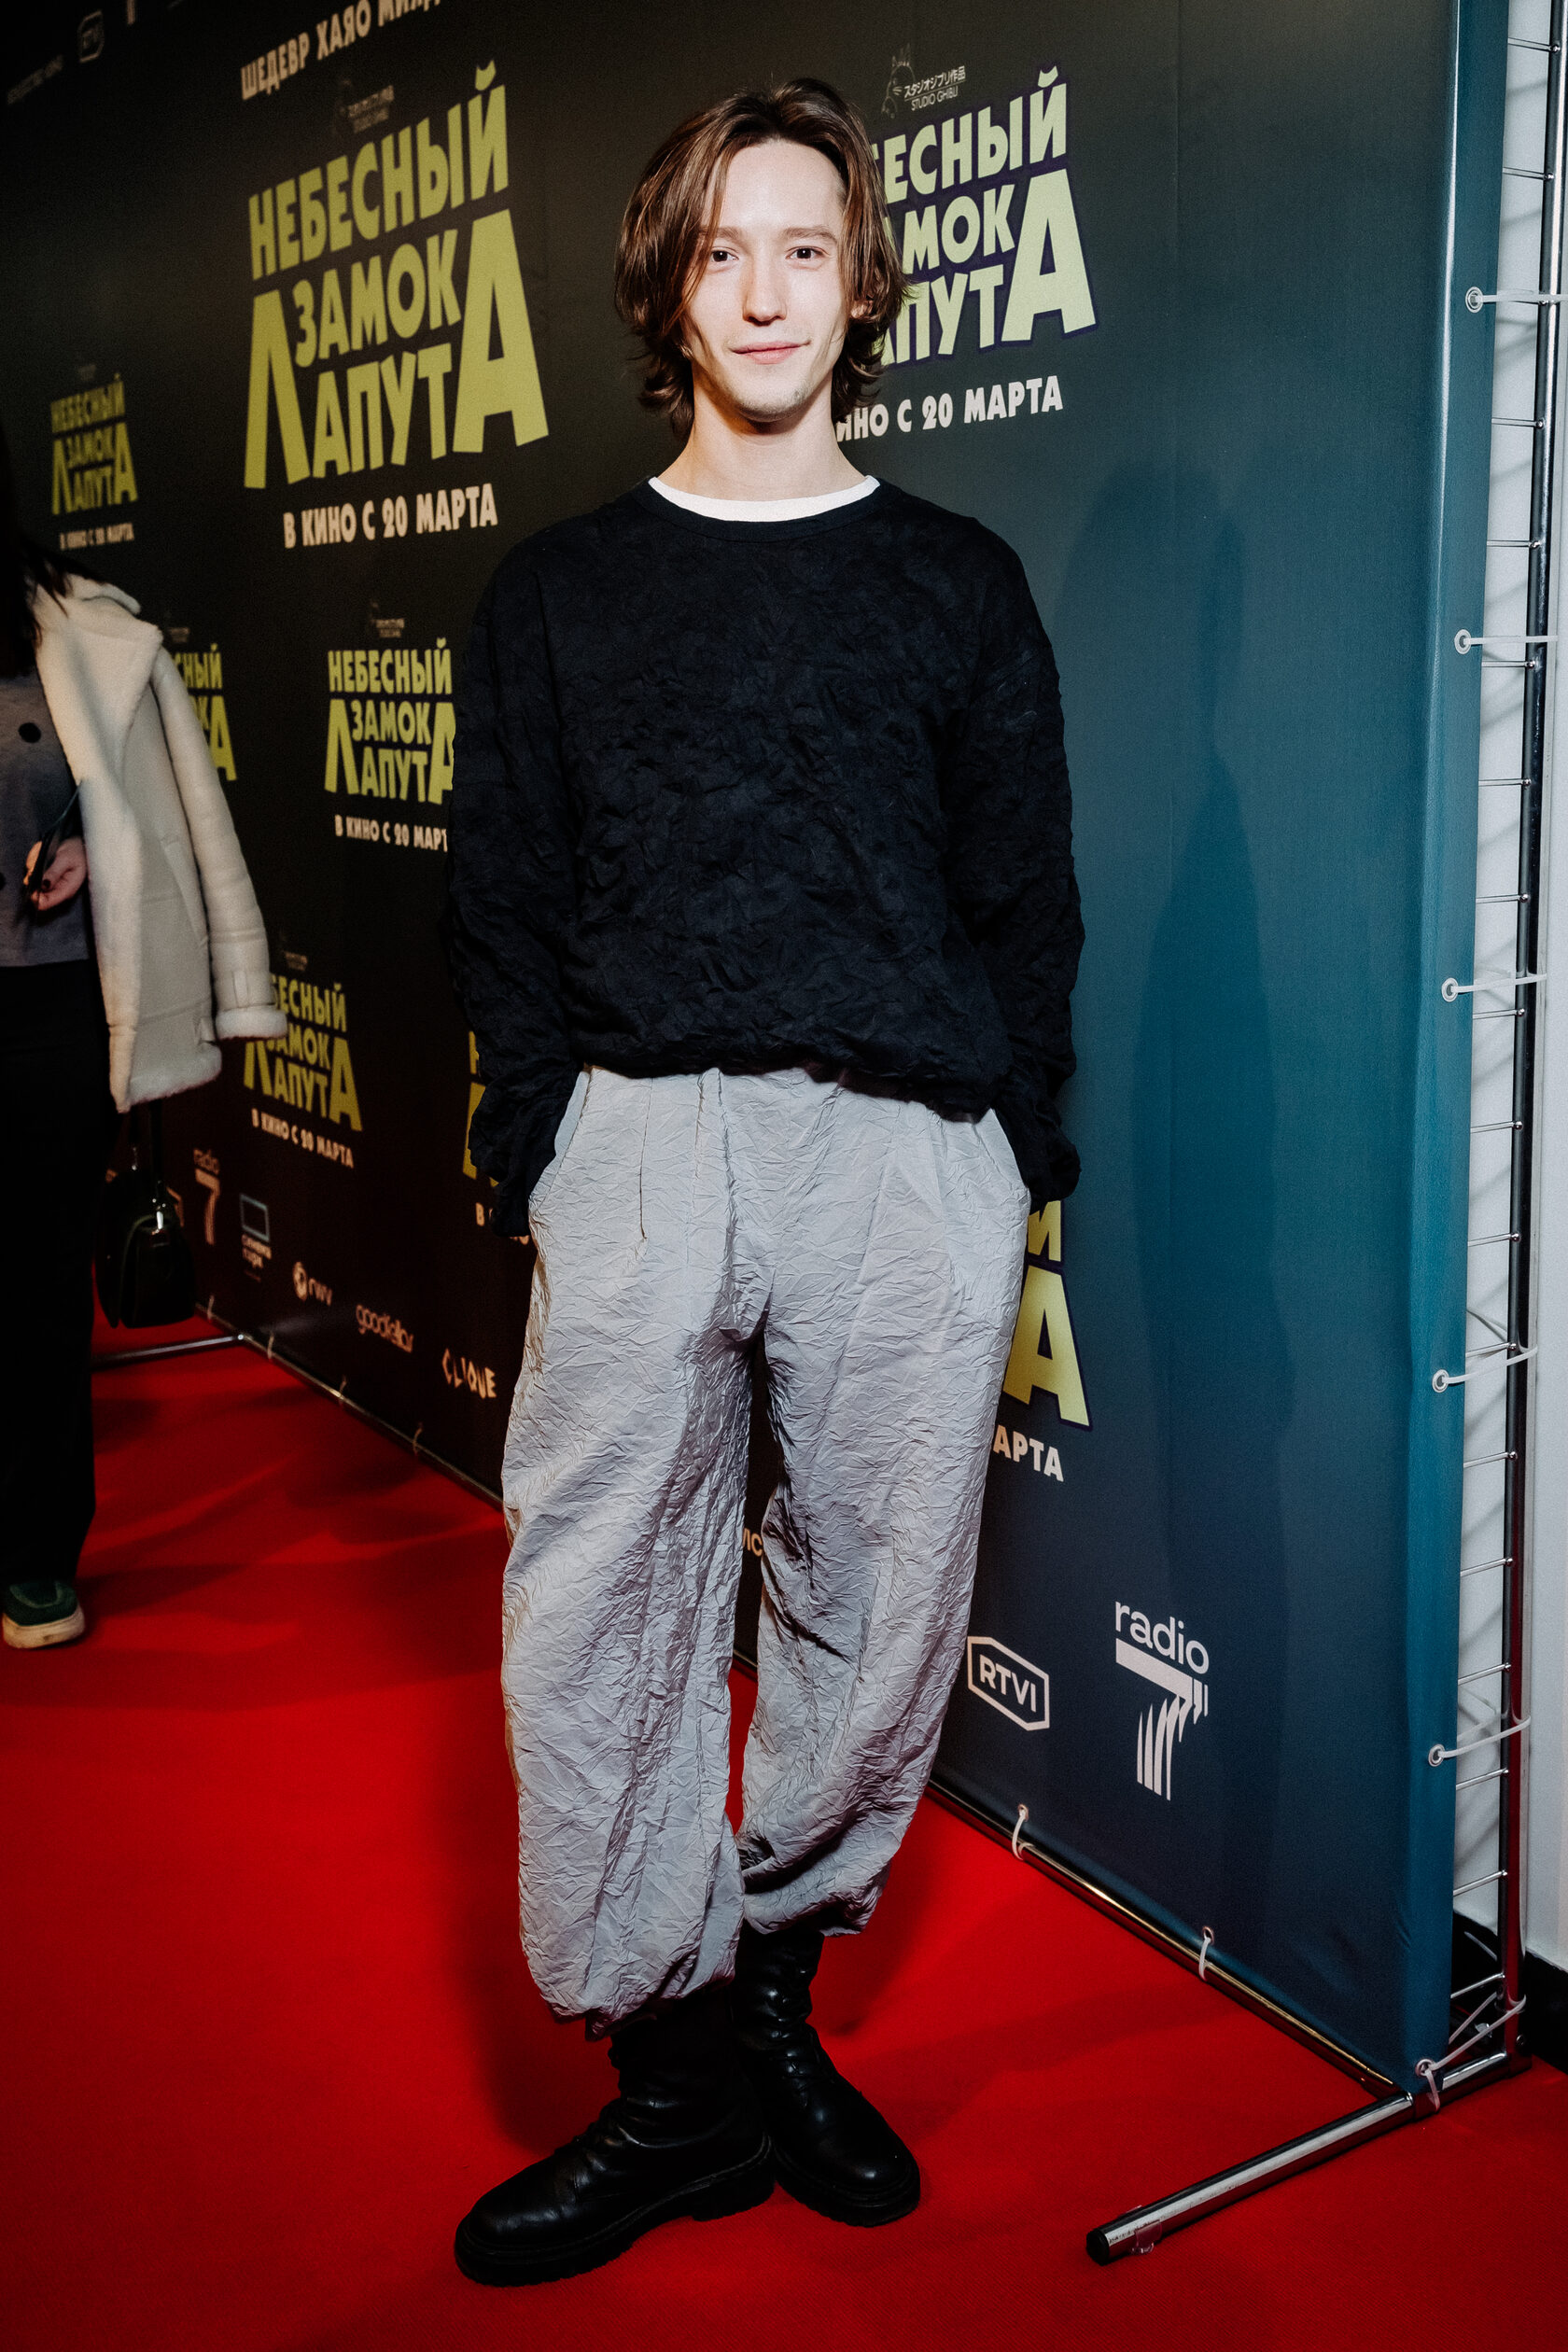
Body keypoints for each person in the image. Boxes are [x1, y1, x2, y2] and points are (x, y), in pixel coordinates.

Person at [445, 78, 1082, 2284]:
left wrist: (1010, 1154)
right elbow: (503, 897)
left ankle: (782, 2002)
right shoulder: (558, 592)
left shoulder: (955, 581)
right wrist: (544, 1147)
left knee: (877, 1604)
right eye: (723, 250)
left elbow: (1025, 900)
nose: (766, 290)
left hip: (904, 1149)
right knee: (594, 1608)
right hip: (639, 1135)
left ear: (864, 281)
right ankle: (677, 2082)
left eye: (805, 246)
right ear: (668, 287)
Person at [0, 421, 284, 1653]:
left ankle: (34, 1555)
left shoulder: (81, 633)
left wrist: (84, 857)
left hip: (48, 1017)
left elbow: (168, 823)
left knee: (35, 1291)